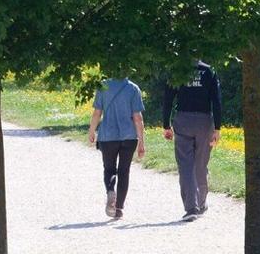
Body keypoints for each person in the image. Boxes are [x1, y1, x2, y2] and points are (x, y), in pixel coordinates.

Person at [161, 59, 223, 221]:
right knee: (201, 163)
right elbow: (216, 100)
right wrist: (218, 127)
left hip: (183, 119)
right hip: (204, 122)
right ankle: (201, 202)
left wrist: (166, 124)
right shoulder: (209, 71)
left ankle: (191, 208)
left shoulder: (176, 70)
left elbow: (168, 98)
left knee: (186, 165)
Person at [88, 77, 146, 219]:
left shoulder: (103, 86)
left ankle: (110, 191)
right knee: (124, 171)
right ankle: (119, 208)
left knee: (109, 169)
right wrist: (141, 142)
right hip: (129, 136)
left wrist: (91, 131)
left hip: (108, 136)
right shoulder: (133, 88)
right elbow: (137, 118)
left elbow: (97, 113)